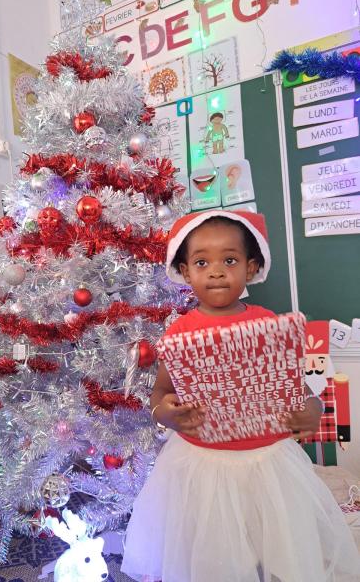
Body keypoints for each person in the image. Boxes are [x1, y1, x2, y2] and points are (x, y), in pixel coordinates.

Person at [121, 210, 360, 582]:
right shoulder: (180, 332)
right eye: (202, 262)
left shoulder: (267, 324)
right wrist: (164, 413)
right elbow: (161, 392)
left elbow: (297, 388)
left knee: (283, 552)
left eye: (229, 261)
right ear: (186, 272)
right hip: (202, 465)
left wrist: (312, 410)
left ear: (250, 268)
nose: (216, 272)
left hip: (269, 463)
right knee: (215, 558)